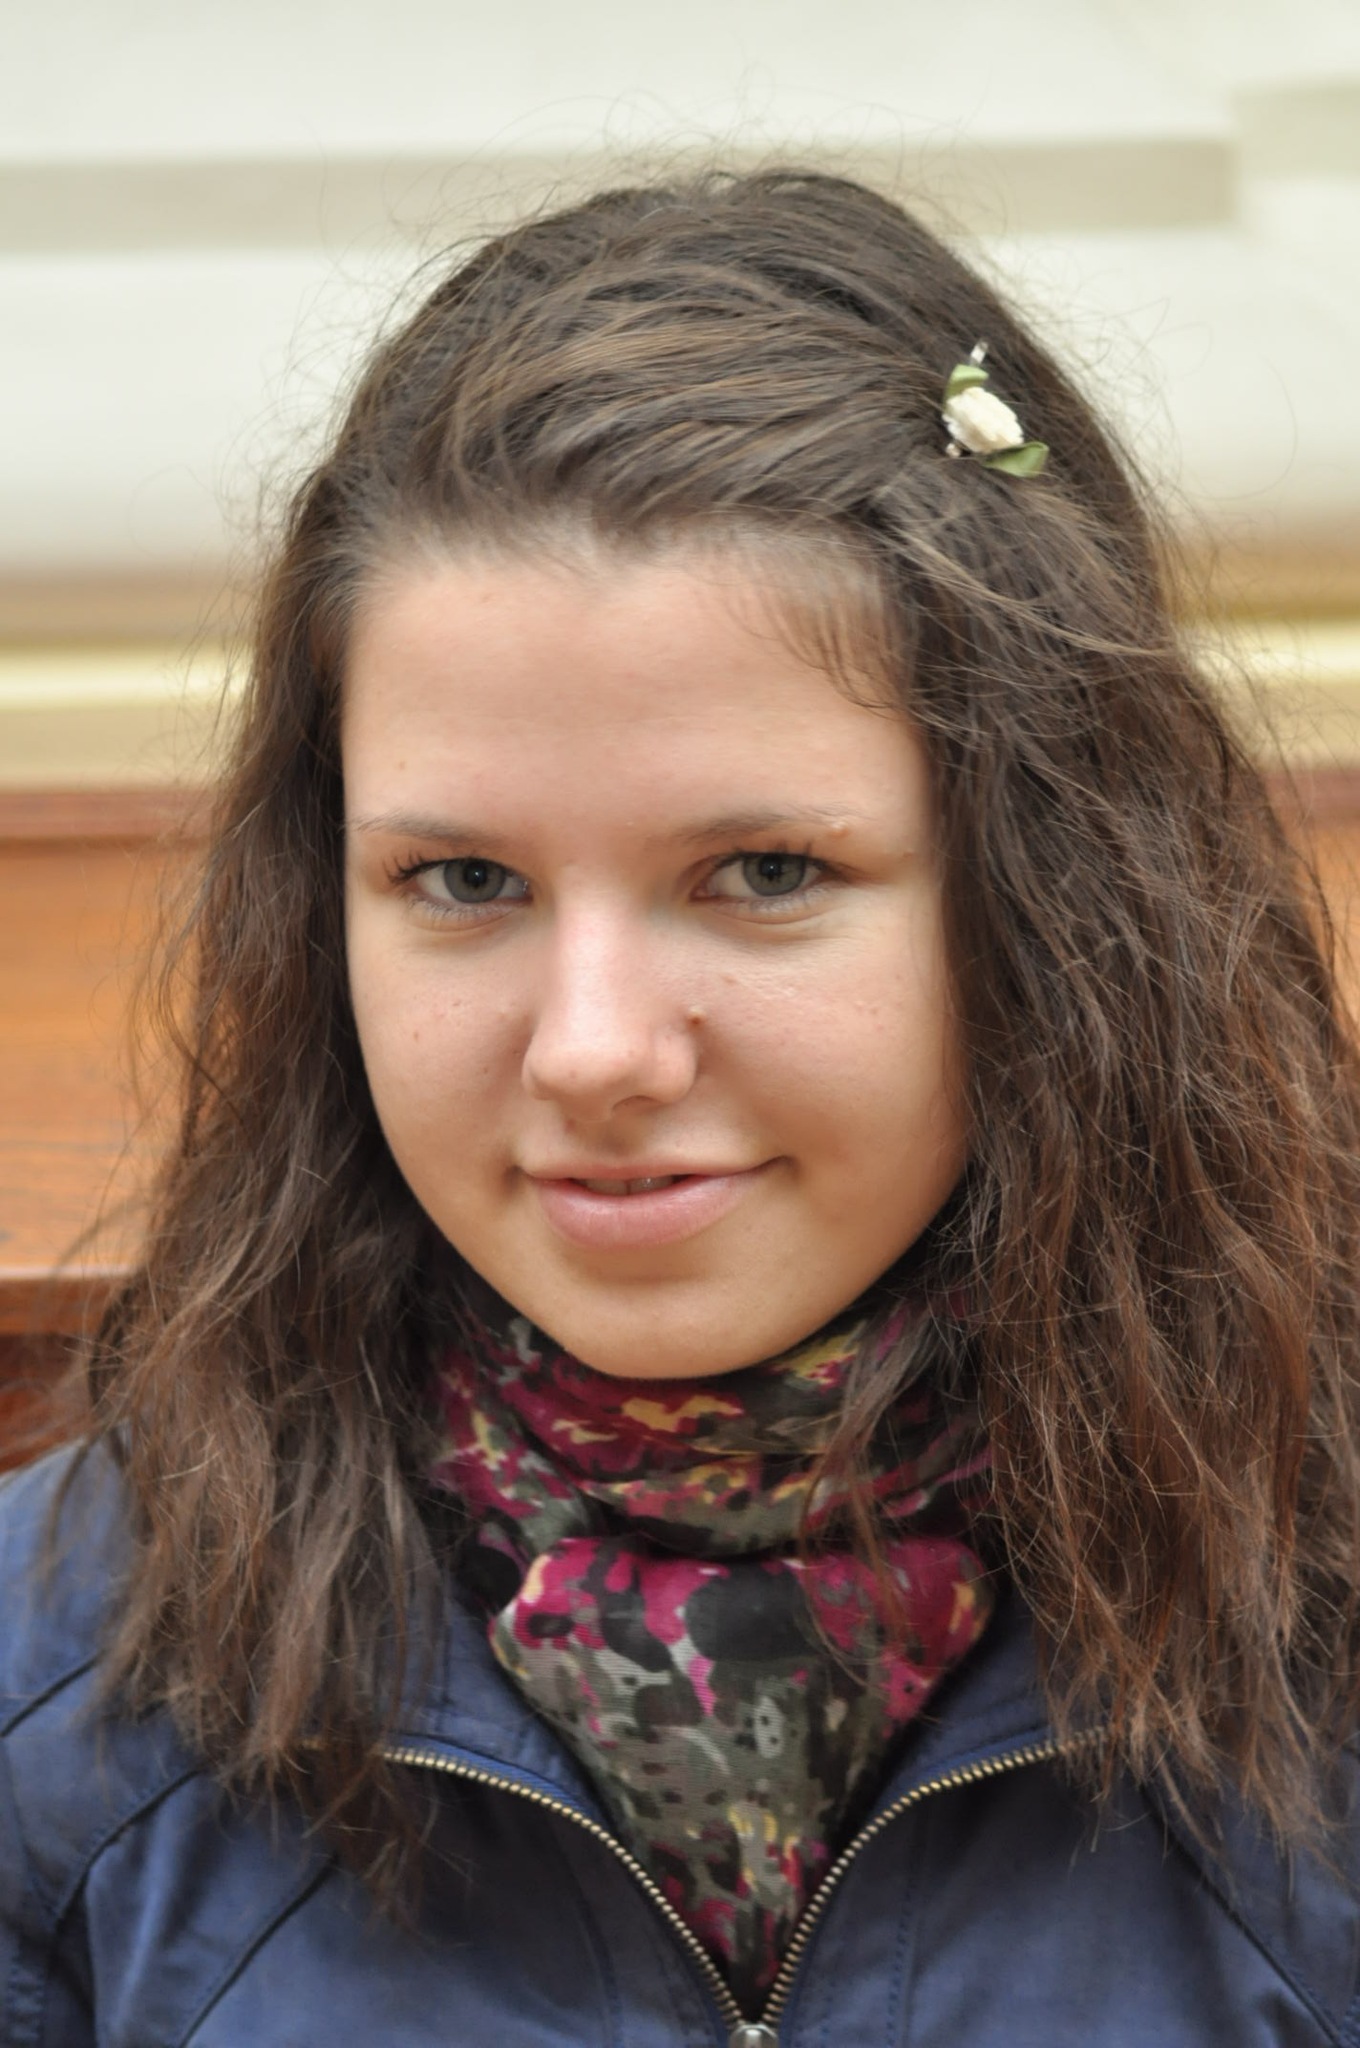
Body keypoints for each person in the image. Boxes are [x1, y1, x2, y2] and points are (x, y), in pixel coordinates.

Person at [2, 168, 1358, 2048]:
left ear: (1056, 898)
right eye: (463, 881)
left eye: (765, 873)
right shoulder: (57, 1694)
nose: (593, 1051)